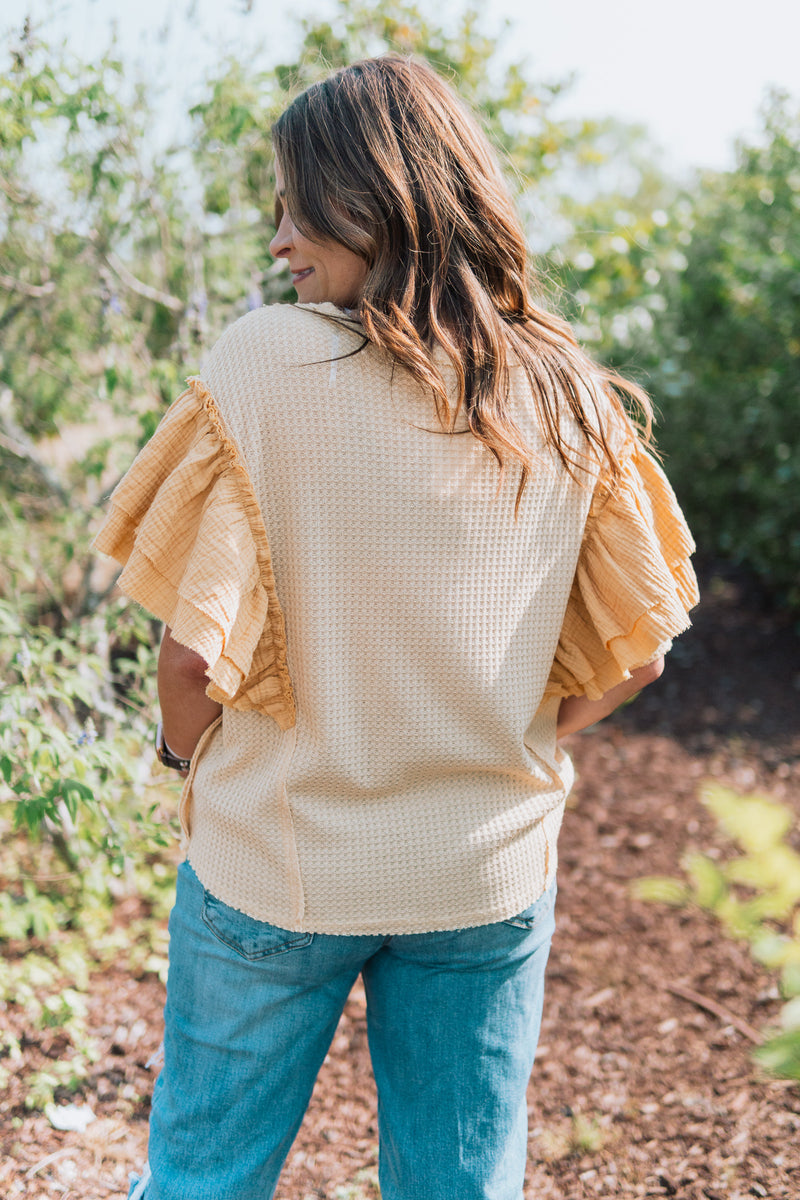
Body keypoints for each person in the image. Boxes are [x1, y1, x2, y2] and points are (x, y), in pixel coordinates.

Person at [94, 54, 698, 1200]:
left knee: (202, 1183)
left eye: (293, 201)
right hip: (483, 876)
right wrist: (520, 746)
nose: (277, 238)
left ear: (367, 193)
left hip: (278, 867)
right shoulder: (565, 388)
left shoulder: (266, 362)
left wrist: (182, 755)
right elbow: (644, 645)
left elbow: (189, 654)